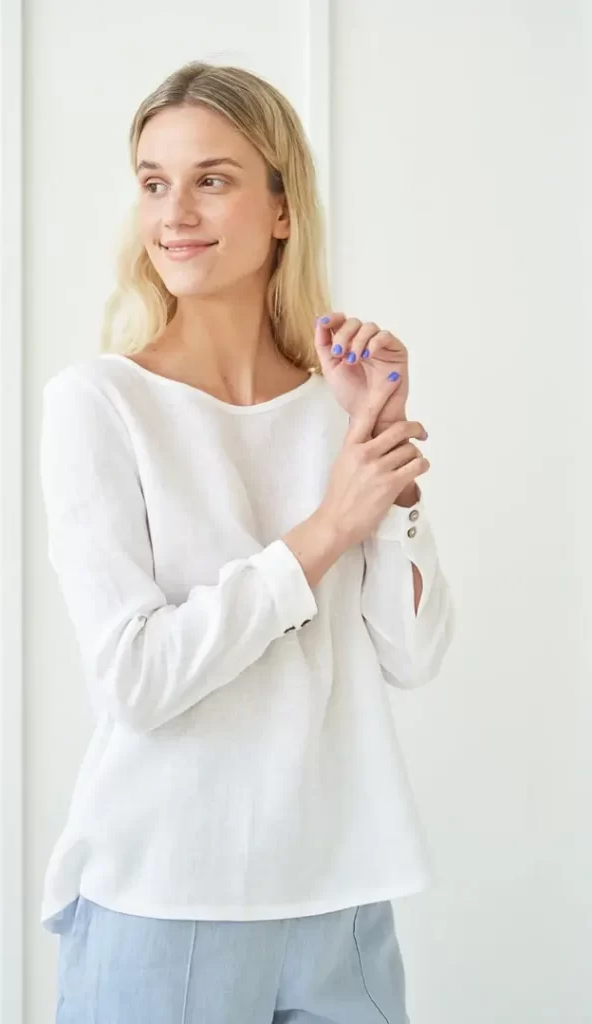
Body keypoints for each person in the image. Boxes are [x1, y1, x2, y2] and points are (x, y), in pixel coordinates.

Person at [39, 60, 454, 1024]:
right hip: (168, 895)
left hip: (343, 898)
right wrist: (322, 531)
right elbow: (135, 680)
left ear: (280, 206)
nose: (175, 211)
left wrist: (374, 445)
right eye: (153, 181)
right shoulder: (100, 404)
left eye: (211, 178)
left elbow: (414, 650)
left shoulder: (333, 408)